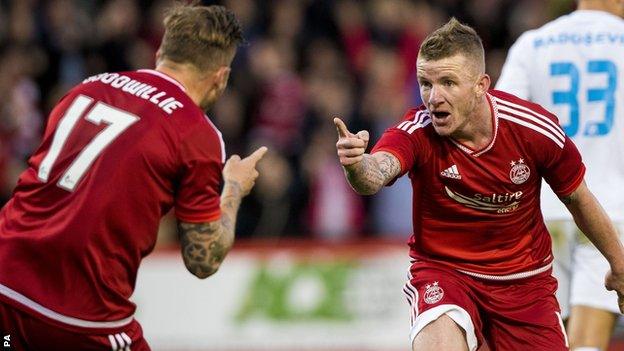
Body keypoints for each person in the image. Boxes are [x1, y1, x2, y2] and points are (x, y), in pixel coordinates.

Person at [334, 18, 624, 351]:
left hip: (524, 281)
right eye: (425, 83)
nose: (434, 97)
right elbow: (375, 175)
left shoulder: (534, 130)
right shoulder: (416, 132)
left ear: (481, 85)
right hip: (445, 272)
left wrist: (619, 265)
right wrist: (357, 165)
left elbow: (578, 198)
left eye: (448, 82)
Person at [0, 3, 266, 350]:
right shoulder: (196, 133)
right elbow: (203, 259)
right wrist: (233, 186)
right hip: (83, 317)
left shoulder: (88, 88)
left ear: (159, 53)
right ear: (221, 77)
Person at [496, 1, 624, 349]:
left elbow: (501, 125)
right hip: (609, 213)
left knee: (550, 340)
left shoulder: (533, 43)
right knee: (587, 343)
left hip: (543, 213)